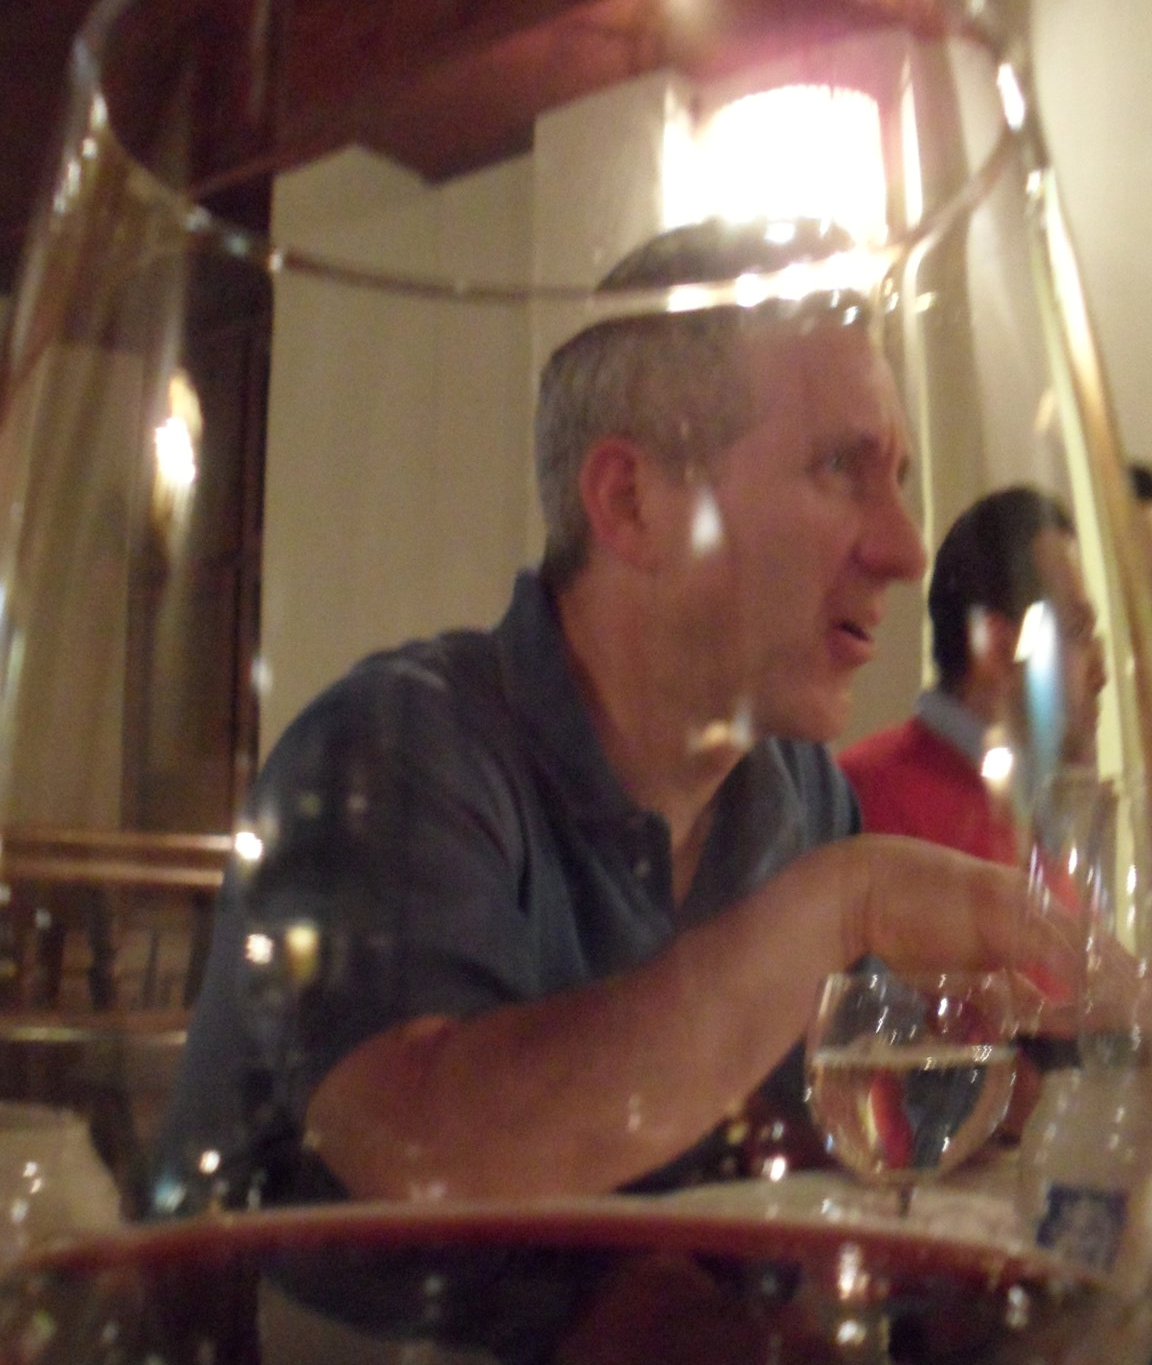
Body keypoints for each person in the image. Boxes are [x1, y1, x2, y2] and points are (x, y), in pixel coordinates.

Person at [155, 224, 1071, 1214]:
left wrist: (1074, 1082)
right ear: (631, 503)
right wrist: (845, 903)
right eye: (840, 469)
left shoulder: (800, 792)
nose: (905, 549)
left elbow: (860, 1108)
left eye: (896, 480)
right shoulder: (391, 750)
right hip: (276, 1323)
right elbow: (431, 1148)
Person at [839, 485, 1107, 864]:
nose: (1101, 674)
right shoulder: (868, 806)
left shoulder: (1029, 813)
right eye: (1078, 630)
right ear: (996, 648)